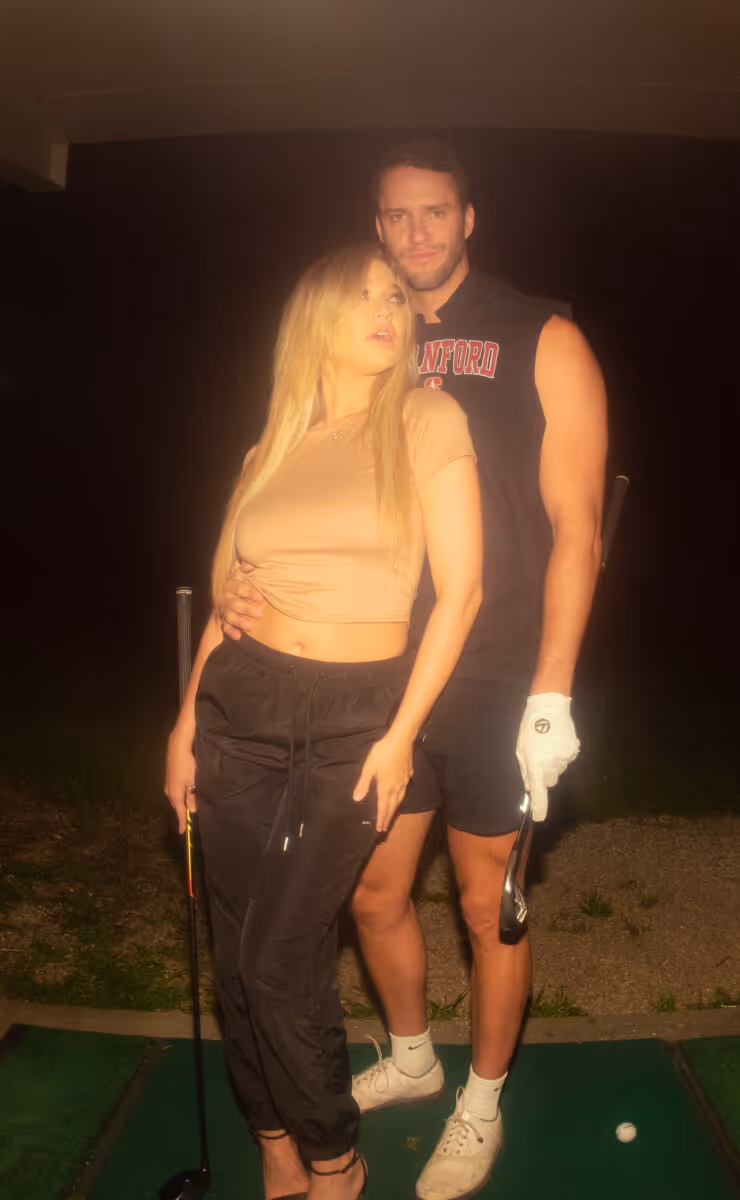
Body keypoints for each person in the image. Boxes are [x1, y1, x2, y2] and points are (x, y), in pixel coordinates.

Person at [219, 142, 608, 1200]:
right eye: (396, 216)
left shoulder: (542, 333)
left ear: (468, 219)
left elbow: (578, 528)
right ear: (377, 226)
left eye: (436, 212)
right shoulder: (374, 337)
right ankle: (411, 1057)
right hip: (381, 664)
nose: (416, 232)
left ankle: (480, 1102)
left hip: (495, 669)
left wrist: (551, 690)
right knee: (373, 890)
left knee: (486, 907)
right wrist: (243, 584)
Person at [165, 242, 483, 1200]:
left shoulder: (427, 418)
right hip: (241, 703)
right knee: (236, 947)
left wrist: (400, 734)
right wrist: (183, 726)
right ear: (314, 320)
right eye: (361, 297)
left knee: (280, 954)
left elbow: (462, 593)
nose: (387, 309)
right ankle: (273, 1139)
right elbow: (229, 601)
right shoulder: (270, 448)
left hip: (357, 716)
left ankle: (336, 1162)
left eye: (395, 297)